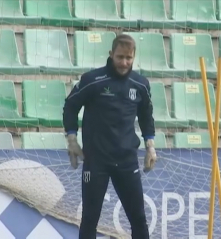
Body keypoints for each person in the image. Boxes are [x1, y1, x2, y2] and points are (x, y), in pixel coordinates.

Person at [62, 34, 158, 239]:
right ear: (111, 54)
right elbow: (70, 106)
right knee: (90, 219)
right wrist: (71, 140)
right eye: (120, 57)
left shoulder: (140, 84)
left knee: (139, 219)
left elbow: (146, 115)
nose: (124, 63)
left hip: (126, 160)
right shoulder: (92, 80)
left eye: (129, 58)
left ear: (134, 57)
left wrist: (150, 145)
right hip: (96, 161)